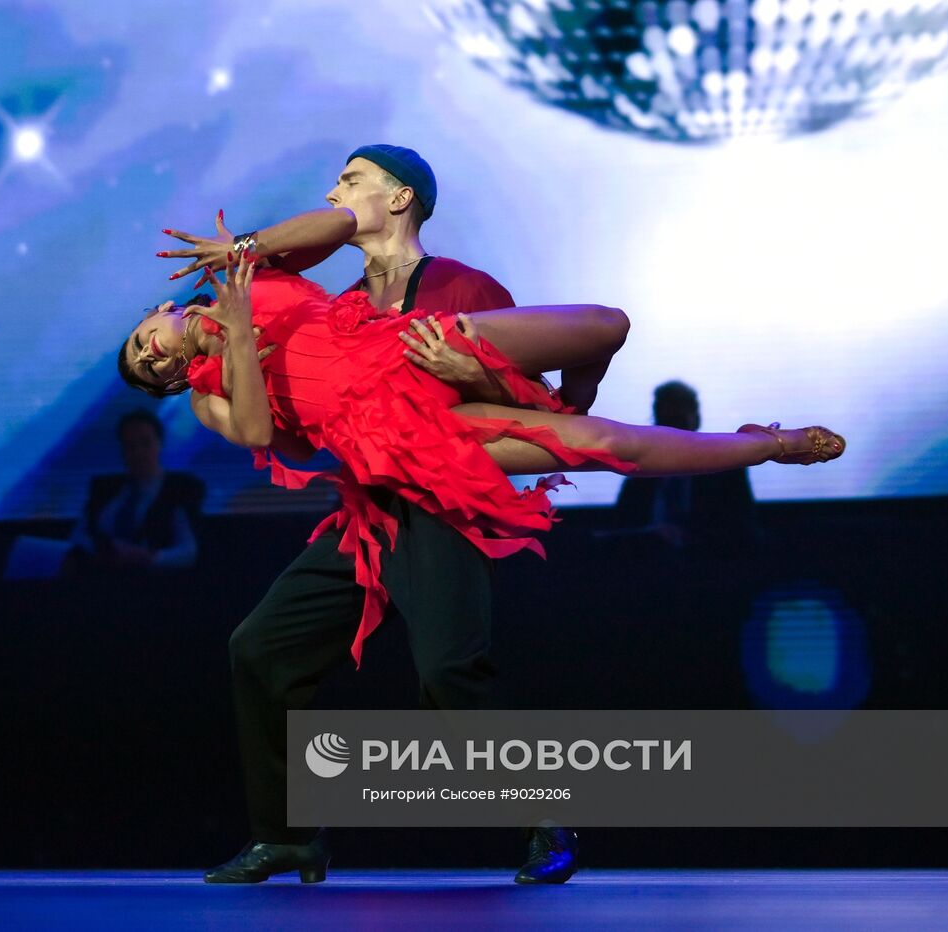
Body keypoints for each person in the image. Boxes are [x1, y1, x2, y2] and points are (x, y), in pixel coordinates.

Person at [132, 150, 843, 885]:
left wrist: (469, 370)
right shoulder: (326, 301)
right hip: (374, 498)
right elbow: (283, 428)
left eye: (351, 179)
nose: (334, 191)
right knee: (261, 649)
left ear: (399, 197)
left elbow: (544, 404)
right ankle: (284, 836)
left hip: (443, 483)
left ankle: (543, 818)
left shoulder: (459, 287)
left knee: (450, 666)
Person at [608, 381, 763, 558]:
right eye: (667, 422)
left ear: (696, 419)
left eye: (678, 420)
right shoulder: (637, 478)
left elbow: (743, 534)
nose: (674, 432)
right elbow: (620, 533)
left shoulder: (726, 472)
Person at [66, 409, 205, 571]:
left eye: (145, 443)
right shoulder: (104, 489)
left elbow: (189, 550)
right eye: (130, 446)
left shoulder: (179, 489)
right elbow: (78, 536)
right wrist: (101, 551)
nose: (138, 452)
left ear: (159, 443)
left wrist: (148, 558)